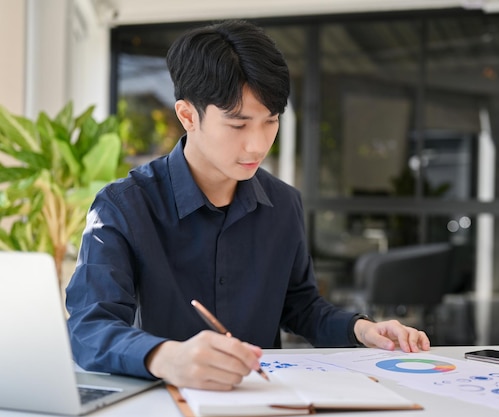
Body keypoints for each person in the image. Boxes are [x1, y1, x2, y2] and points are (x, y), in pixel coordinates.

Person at [65, 20, 430, 392]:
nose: (257, 145)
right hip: (163, 402)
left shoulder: (283, 204)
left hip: (265, 400)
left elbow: (300, 305)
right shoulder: (124, 206)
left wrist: (362, 329)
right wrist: (166, 357)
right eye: (238, 125)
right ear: (188, 115)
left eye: (270, 121)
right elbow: (89, 327)